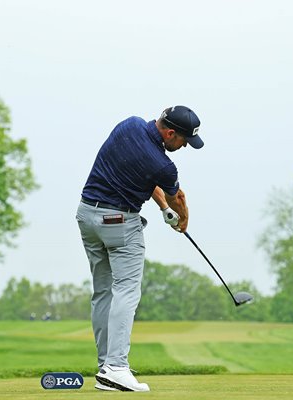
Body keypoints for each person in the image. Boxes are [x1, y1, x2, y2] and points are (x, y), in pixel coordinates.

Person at [76, 105, 203, 392]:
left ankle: (106, 366)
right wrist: (181, 219)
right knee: (126, 291)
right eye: (183, 141)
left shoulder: (129, 125)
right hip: (119, 222)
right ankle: (117, 367)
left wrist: (161, 208)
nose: (184, 146)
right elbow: (177, 197)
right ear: (170, 133)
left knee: (103, 292)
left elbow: (142, 175)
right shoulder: (165, 165)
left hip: (87, 216)